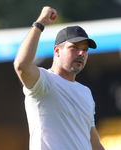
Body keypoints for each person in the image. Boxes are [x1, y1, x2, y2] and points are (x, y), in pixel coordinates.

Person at [14, 6, 105, 150]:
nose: (82, 53)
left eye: (85, 50)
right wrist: (40, 23)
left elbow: (94, 143)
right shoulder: (45, 82)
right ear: (57, 51)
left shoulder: (85, 92)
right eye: (74, 47)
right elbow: (21, 65)